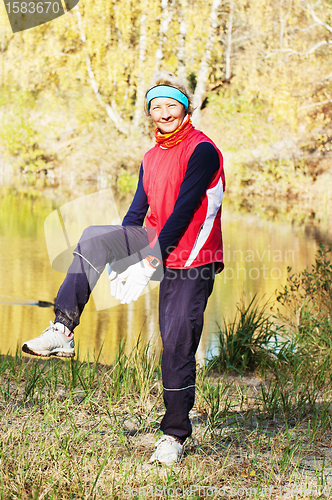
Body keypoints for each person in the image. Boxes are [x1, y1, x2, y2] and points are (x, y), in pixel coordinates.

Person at [22, 71, 226, 466]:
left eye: (171, 105)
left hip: (194, 257)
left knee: (178, 344)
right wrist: (124, 259)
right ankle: (62, 329)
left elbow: (186, 212)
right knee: (94, 238)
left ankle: (173, 435)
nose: (163, 112)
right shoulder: (150, 157)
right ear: (150, 113)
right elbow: (136, 215)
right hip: (157, 243)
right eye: (156, 106)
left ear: (185, 108)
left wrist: (147, 263)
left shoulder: (202, 151)